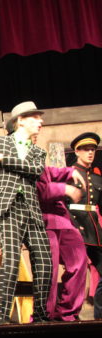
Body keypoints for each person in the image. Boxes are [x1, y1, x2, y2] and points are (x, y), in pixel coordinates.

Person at [0, 101, 51, 324]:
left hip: (31, 210)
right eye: (35, 117)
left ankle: (41, 315)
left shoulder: (38, 151)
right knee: (11, 261)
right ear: (21, 120)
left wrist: (3, 159)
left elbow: (35, 170)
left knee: (44, 261)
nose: (40, 121)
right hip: (7, 208)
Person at [36, 164, 87, 321]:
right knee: (49, 270)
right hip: (41, 218)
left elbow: (49, 171)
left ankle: (67, 312)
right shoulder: (16, 160)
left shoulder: (37, 158)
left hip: (60, 218)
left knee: (79, 260)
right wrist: (63, 188)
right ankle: (45, 315)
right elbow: (32, 188)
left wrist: (71, 171)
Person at [67, 132, 102, 319]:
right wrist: (72, 227)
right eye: (85, 149)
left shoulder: (97, 179)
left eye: (92, 150)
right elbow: (62, 204)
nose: (90, 153)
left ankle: (99, 316)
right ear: (76, 151)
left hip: (94, 230)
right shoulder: (69, 174)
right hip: (75, 228)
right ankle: (71, 315)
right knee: (76, 275)